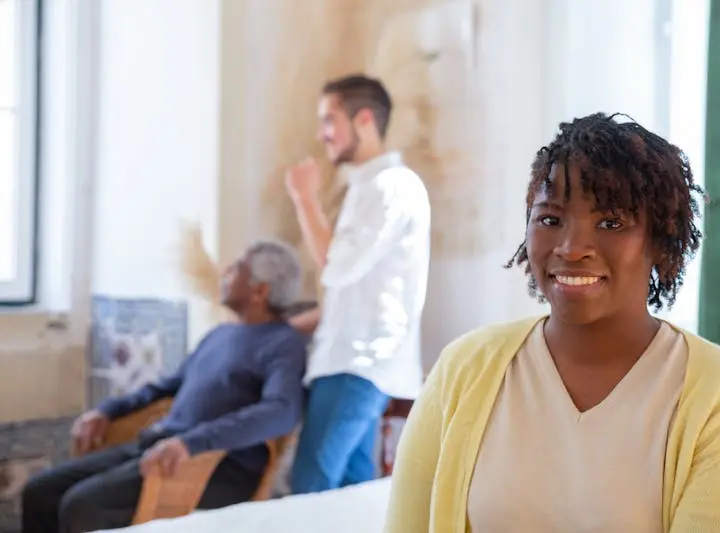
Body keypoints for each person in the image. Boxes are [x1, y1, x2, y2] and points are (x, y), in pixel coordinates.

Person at [384, 113, 720, 532]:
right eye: (550, 219)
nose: (572, 248)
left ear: (660, 241)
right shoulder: (463, 370)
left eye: (611, 222)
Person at [22, 240, 308, 533]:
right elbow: (166, 387)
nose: (225, 273)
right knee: (40, 491)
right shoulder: (221, 334)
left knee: (83, 506)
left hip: (218, 465)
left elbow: (281, 412)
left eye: (236, 269)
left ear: (260, 291)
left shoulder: (284, 345)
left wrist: (193, 442)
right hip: (162, 447)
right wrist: (107, 411)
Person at [285, 74, 430, 493]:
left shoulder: (390, 187)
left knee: (310, 491)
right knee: (352, 495)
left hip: (358, 363)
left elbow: (335, 266)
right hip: (357, 362)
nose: (321, 134)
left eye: (329, 120)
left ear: (363, 119)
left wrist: (304, 198)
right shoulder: (371, 188)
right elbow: (355, 292)